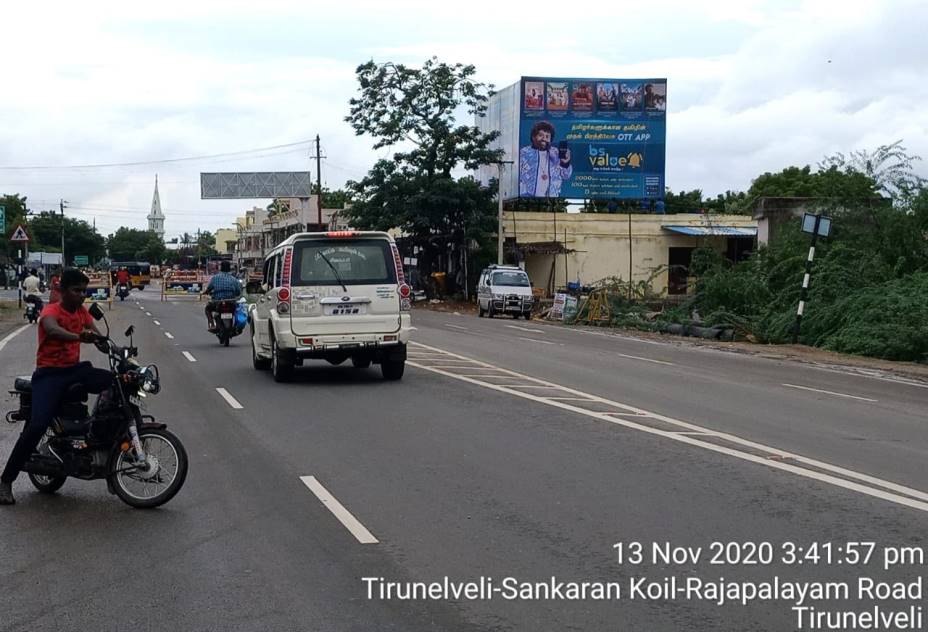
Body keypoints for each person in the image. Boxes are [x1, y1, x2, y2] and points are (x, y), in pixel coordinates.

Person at [0, 268, 110, 505]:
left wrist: (110, 346)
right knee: (37, 426)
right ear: (62, 291)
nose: (81, 295)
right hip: (49, 376)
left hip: (74, 370)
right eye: (76, 290)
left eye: (84, 291)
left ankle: (103, 435)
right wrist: (79, 336)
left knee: (113, 381)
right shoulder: (51, 310)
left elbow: (98, 337)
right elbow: (52, 329)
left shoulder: (81, 312)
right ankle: (6, 481)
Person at [519, 121, 572, 198]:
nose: (544, 139)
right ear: (533, 137)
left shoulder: (556, 153)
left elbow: (566, 176)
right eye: (541, 135)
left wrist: (565, 163)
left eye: (547, 136)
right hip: (527, 199)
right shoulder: (524, 152)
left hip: (551, 200)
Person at [200, 260, 242, 332]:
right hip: (231, 302)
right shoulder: (234, 279)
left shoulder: (215, 278)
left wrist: (206, 292)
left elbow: (209, 289)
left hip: (217, 302)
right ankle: (236, 326)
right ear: (229, 268)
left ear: (220, 268)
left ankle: (212, 324)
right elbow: (238, 292)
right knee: (238, 310)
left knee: (207, 309)